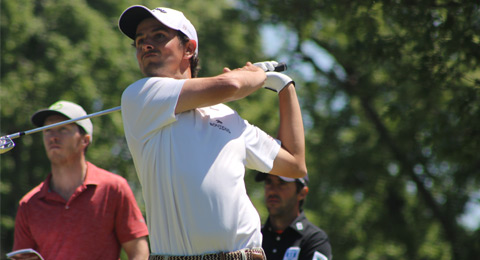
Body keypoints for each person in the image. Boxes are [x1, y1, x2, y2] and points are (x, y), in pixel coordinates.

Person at [117, 5, 307, 260]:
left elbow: (295, 165)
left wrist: (285, 87)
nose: (146, 45)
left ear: (189, 48)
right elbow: (231, 84)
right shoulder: (140, 96)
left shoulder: (229, 117)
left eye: (159, 36)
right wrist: (257, 75)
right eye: (140, 41)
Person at [12, 100, 150, 260]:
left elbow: (139, 252)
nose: (53, 137)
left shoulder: (113, 188)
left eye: (63, 129)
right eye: (47, 130)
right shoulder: (28, 204)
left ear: (85, 139)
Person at [255, 172, 332, 260]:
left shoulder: (315, 240)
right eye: (268, 182)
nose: (272, 190)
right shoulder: (254, 236)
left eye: (282, 183)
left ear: (302, 193)